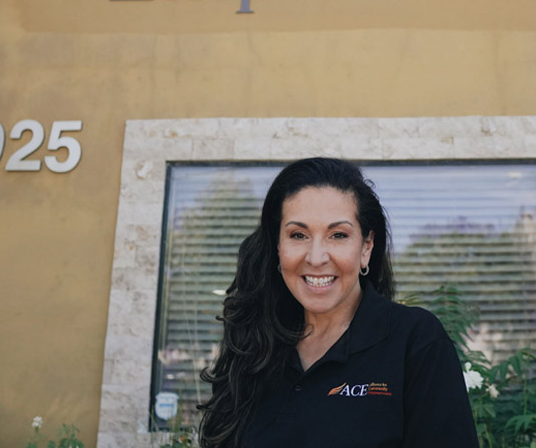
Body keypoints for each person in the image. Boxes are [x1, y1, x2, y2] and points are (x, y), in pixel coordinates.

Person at [198, 157, 479, 448]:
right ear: (277, 247)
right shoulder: (255, 345)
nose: (316, 257)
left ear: (366, 247)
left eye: (338, 235)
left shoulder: (415, 341)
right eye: (298, 235)